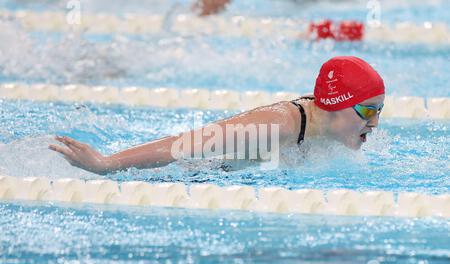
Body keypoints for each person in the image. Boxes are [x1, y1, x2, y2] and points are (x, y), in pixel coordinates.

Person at [49, 56, 385, 175]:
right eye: (368, 111)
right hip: (193, 176)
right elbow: (185, 145)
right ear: (336, 103)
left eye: (380, 111)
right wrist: (107, 164)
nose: (376, 123)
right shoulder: (278, 126)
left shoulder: (327, 127)